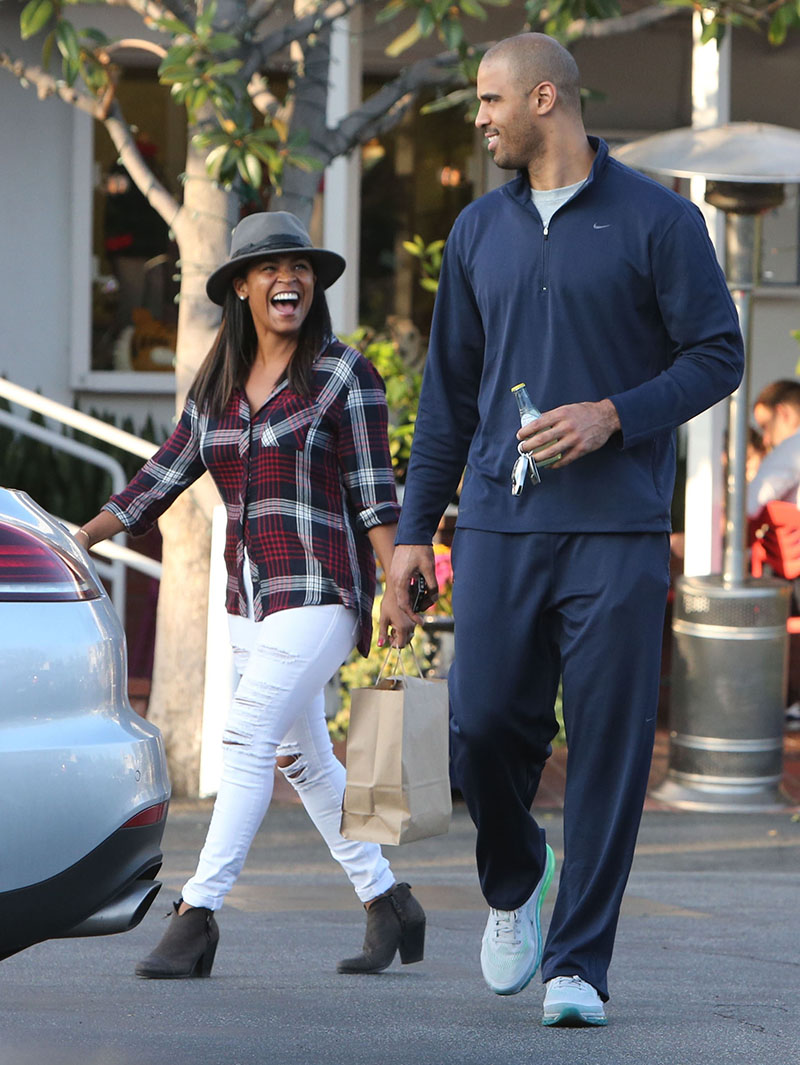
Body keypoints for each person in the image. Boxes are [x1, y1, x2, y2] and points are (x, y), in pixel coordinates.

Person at [390, 33, 744, 1027]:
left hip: (617, 533)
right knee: (481, 730)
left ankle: (577, 966)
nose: (479, 116)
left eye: (490, 99)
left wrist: (611, 415)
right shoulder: (475, 232)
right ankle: (516, 877)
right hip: (501, 527)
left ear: (544, 97)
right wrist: (415, 532)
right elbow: (449, 394)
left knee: (605, 752)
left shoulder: (659, 220)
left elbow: (716, 354)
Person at [76, 211, 425, 979]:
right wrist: (79, 536)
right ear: (241, 286)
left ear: (313, 285)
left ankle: (196, 914)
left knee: (244, 741)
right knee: (305, 758)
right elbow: (162, 475)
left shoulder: (343, 374)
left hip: (322, 587)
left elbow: (374, 493)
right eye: (269, 269)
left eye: (299, 267)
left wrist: (395, 584)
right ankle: (388, 899)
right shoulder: (219, 384)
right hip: (249, 596)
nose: (287, 279)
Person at [746, 379, 800, 517]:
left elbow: (749, 505)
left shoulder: (792, 447)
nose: (765, 440)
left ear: (782, 413)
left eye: (765, 426)